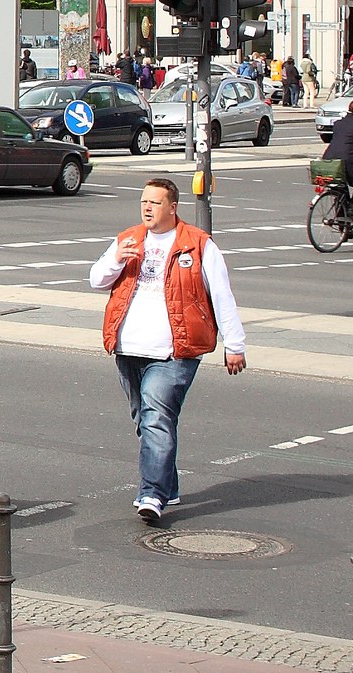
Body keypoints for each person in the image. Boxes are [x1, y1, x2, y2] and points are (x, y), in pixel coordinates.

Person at [88, 179, 248, 524]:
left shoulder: (199, 245)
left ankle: (152, 494)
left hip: (177, 350)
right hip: (129, 346)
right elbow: (96, 280)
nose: (147, 208)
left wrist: (235, 344)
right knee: (145, 420)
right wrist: (116, 258)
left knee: (156, 418)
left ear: (172, 207)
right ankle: (169, 485)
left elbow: (221, 296)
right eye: (144, 202)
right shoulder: (128, 239)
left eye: (155, 203)